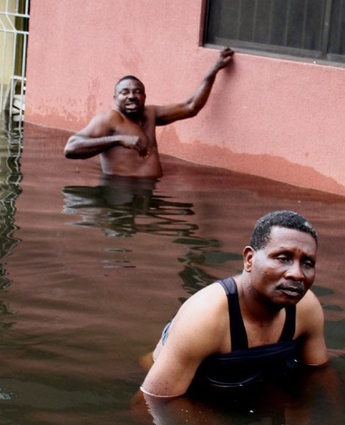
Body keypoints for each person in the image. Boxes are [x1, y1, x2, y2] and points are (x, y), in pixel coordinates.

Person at [140, 210, 328, 400]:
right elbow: (150, 404)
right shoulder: (205, 315)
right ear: (249, 259)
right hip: (191, 393)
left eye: (307, 263)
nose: (297, 274)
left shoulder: (306, 307)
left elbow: (319, 374)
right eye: (283, 258)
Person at [64, 48, 234, 179]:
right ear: (115, 97)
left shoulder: (150, 113)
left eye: (137, 92)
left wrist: (214, 69)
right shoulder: (110, 119)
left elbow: (191, 106)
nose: (131, 96)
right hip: (120, 196)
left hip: (150, 194)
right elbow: (71, 148)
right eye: (125, 92)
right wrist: (118, 140)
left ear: (144, 96)